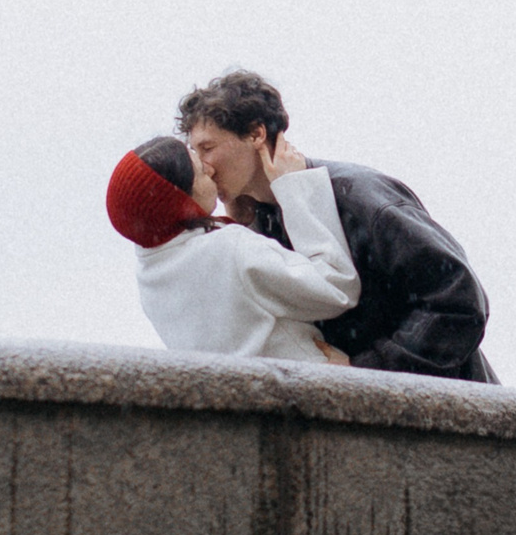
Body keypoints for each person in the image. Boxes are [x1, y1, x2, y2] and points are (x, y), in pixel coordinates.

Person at [178, 71, 497, 382]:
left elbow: (459, 299)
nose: (202, 165)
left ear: (256, 134)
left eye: (207, 148)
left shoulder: (358, 197)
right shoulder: (261, 219)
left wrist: (369, 369)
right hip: (373, 419)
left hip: (453, 421)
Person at [106, 135, 360, 365]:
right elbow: (337, 287)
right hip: (308, 392)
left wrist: (245, 222)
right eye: (200, 171)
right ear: (182, 203)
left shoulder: (151, 274)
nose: (210, 168)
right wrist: (296, 188)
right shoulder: (229, 249)